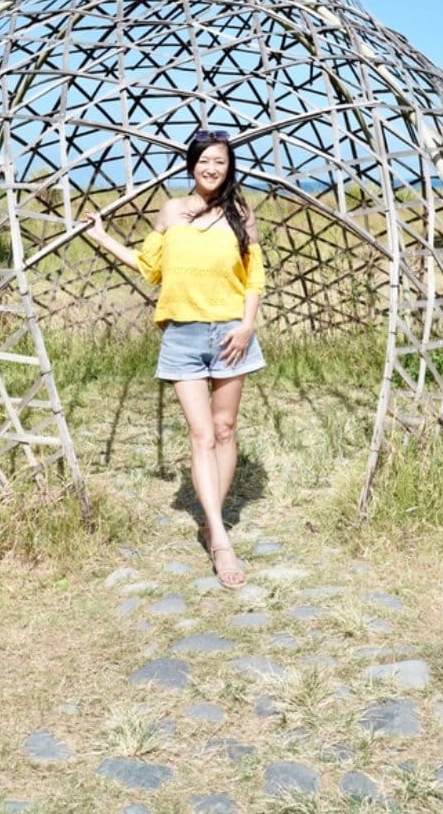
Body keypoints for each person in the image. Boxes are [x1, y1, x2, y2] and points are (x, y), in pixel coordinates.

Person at [80, 129, 266, 589]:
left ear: (229, 166)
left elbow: (255, 278)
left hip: (230, 334)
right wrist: (101, 237)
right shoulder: (170, 211)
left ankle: (211, 520)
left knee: (225, 430)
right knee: (200, 434)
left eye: (220, 161)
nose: (212, 168)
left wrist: (247, 326)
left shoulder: (240, 213)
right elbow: (149, 268)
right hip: (182, 335)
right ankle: (221, 540)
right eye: (205, 160)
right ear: (192, 164)